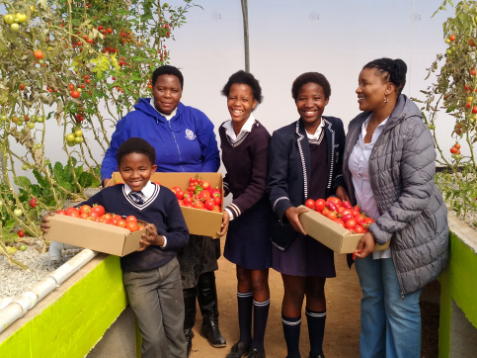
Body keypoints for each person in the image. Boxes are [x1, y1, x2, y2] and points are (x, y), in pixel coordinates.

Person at [100, 65, 225, 356]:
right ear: (152, 87)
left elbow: (212, 155)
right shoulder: (134, 121)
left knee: (204, 262)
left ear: (182, 91)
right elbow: (112, 152)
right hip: (160, 201)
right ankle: (183, 328)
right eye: (161, 88)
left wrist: (200, 185)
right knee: (176, 263)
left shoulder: (197, 118)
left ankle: (211, 321)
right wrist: (108, 178)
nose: (168, 95)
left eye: (174, 89)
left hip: (195, 200)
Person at [41, 138, 190, 358]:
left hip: (169, 272)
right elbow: (79, 212)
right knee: (153, 339)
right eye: (127, 170)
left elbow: (182, 236)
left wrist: (159, 240)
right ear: (119, 170)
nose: (135, 175)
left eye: (142, 169)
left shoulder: (165, 197)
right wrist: (54, 219)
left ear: (153, 169)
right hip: (138, 277)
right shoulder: (109, 196)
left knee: (176, 334)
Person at [343, 58, 449, 358]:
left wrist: (377, 231)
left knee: (400, 308)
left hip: (405, 237)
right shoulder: (357, 124)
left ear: (389, 88)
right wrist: (343, 188)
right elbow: (354, 172)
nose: (358, 89)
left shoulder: (411, 129)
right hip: (365, 231)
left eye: (365, 84)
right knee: (373, 300)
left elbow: (417, 192)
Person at [267, 72, 348, 358]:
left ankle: (316, 352)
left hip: (323, 226)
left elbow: (338, 168)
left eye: (316, 98)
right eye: (302, 98)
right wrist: (287, 209)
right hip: (292, 228)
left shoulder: (336, 129)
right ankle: (293, 354)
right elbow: (274, 184)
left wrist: (339, 186)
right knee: (294, 291)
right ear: (295, 102)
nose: (309, 103)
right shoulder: (283, 137)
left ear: (326, 100)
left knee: (317, 287)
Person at [216, 70, 272, 358]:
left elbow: (260, 184)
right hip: (237, 212)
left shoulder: (260, 136)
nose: (237, 103)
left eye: (244, 99)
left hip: (257, 215)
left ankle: (259, 346)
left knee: (259, 279)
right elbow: (235, 176)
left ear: (254, 102)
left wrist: (230, 210)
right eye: (233, 97)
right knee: (241, 276)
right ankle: (244, 340)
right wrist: (219, 188)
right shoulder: (224, 130)